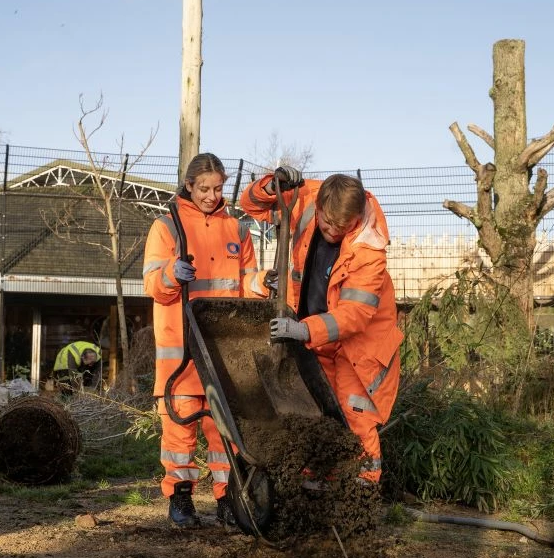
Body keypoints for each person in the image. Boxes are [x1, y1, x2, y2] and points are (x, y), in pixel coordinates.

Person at [241, 167, 403, 485]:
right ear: (320, 205)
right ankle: (314, 485)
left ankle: (361, 490)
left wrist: (304, 331)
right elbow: (252, 205)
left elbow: (355, 314)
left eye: (342, 227)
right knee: (312, 410)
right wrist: (272, 185)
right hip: (316, 334)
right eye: (326, 222)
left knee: (353, 412)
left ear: (356, 218)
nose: (331, 231)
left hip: (358, 345)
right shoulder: (306, 197)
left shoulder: (369, 249)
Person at [143, 152, 273, 528]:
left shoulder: (238, 230)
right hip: (181, 352)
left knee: (225, 433)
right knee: (179, 431)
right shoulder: (166, 227)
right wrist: (171, 273)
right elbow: (153, 285)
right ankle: (180, 500)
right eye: (204, 188)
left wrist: (263, 282)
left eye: (217, 189)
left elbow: (244, 283)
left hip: (221, 351)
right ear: (189, 185)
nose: (211, 196)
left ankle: (227, 499)